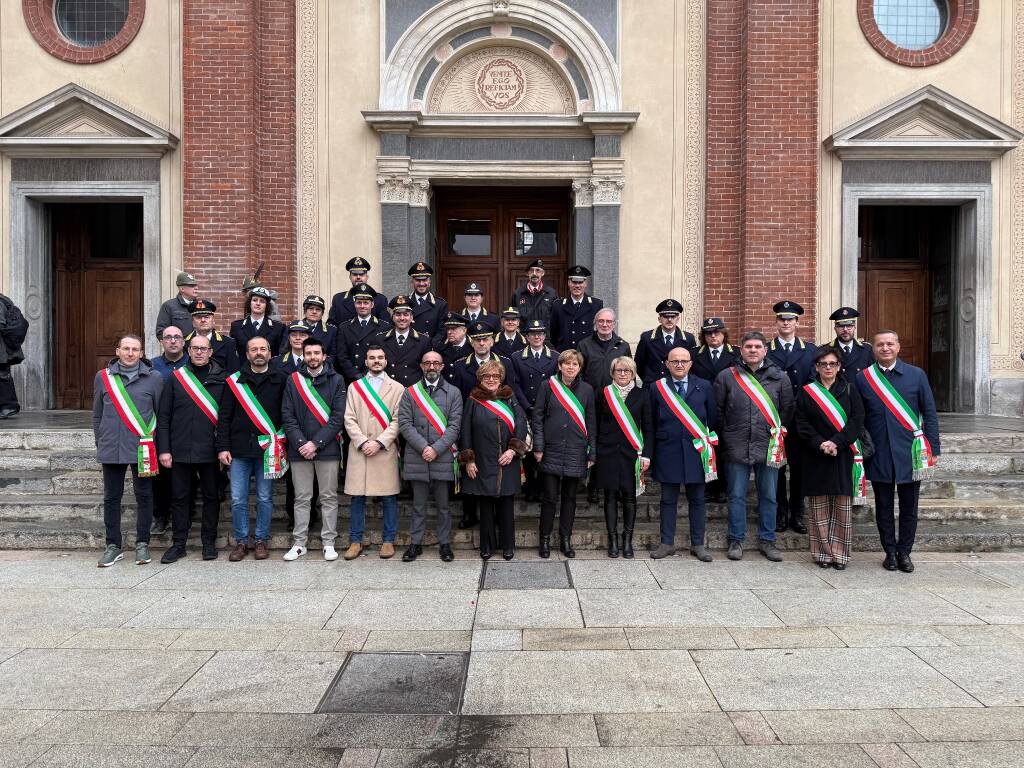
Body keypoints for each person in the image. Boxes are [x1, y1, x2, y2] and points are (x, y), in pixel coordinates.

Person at [856, 330, 940, 573]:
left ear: (898, 347)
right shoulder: (863, 378)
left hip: (910, 452)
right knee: (882, 506)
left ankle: (905, 552)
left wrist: (933, 447)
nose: (885, 348)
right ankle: (889, 552)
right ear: (873, 350)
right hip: (880, 452)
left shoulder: (916, 375)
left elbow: (930, 413)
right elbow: (858, 417)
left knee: (909, 506)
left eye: (889, 344)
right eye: (880, 345)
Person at [714, 331, 794, 562]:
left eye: (757, 346)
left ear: (765, 351)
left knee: (769, 496)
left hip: (769, 445)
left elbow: (787, 410)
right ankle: (736, 540)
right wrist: (728, 434)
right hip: (736, 445)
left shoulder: (780, 377)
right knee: (736, 495)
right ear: (741, 350)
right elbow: (718, 411)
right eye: (748, 346)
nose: (752, 350)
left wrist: (777, 435)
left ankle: (767, 541)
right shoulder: (727, 376)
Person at [93, 334, 164, 567]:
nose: (131, 353)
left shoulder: (154, 378)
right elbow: (97, 414)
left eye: (135, 349)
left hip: (141, 448)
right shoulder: (103, 378)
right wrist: (100, 440)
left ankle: (142, 543)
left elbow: (160, 414)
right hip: (111, 447)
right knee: (111, 497)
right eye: (126, 348)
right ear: (117, 351)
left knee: (145, 496)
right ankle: (113, 545)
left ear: (142, 353)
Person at [156, 333, 227, 562]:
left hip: (210, 450)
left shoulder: (222, 379)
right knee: (179, 498)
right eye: (195, 348)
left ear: (210, 352)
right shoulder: (176, 379)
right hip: (179, 449)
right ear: (188, 351)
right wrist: (164, 450)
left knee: (211, 497)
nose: (198, 352)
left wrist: (223, 448)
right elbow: (164, 417)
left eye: (203, 349)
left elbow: (226, 418)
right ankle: (178, 544)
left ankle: (208, 542)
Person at [217, 336, 289, 562]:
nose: (258, 353)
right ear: (247, 354)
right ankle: (240, 541)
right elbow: (225, 417)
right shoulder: (234, 382)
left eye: (263, 349)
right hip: (239, 449)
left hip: (268, 450)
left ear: (270, 353)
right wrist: (223, 447)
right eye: (253, 349)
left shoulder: (282, 378)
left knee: (265, 497)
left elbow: (286, 414)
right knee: (238, 498)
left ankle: (261, 540)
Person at [796, 346, 866, 570]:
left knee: (842, 509)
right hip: (816, 455)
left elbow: (857, 420)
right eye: (823, 364)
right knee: (818, 510)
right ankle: (822, 554)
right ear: (816, 367)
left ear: (839, 366)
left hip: (843, 454)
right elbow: (802, 424)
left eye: (832, 364)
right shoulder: (807, 392)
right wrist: (821, 444)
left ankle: (841, 555)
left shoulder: (849, 389)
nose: (828, 368)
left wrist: (836, 442)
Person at [649, 347, 719, 561]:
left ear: (690, 363)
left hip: (696, 452)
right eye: (675, 361)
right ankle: (666, 543)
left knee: (697, 499)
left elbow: (713, 419)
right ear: (667, 364)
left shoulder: (704, 386)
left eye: (684, 361)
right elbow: (650, 422)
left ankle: (698, 544)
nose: (679, 365)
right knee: (667, 499)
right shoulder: (656, 388)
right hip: (667, 450)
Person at [281, 337, 347, 561]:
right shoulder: (293, 380)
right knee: (301, 498)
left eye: (316, 353)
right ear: (304, 355)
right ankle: (300, 543)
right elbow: (287, 416)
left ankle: (328, 542)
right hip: (299, 451)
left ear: (324, 356)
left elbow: (337, 418)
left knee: (328, 497)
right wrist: (302, 444)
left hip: (326, 449)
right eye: (308, 353)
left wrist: (315, 443)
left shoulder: (336, 380)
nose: (312, 357)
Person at [459, 360, 528, 560]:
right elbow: (465, 431)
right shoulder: (473, 399)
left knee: (506, 504)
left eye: (495, 376)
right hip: (482, 460)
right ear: (480, 379)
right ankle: (486, 546)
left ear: (501, 378)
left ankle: (508, 546)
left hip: (507, 459)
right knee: (486, 505)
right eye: (487, 376)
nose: (491, 380)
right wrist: (469, 460)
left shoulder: (509, 396)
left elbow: (521, 423)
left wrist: (513, 450)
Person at [398, 350, 463, 563]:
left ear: (442, 366)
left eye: (436, 363)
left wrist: (436, 448)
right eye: (427, 363)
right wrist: (424, 447)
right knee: (418, 505)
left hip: (442, 456)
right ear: (422, 366)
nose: (432, 367)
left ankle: (445, 543)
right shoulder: (410, 392)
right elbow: (405, 424)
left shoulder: (453, 392)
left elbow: (455, 426)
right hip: (418, 456)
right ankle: (415, 543)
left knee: (444, 507)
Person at [531, 349, 596, 558]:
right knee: (549, 498)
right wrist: (538, 447)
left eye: (575, 364)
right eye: (566, 363)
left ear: (579, 368)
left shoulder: (587, 390)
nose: (570, 367)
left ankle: (565, 540)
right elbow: (537, 418)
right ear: (559, 366)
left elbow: (591, 423)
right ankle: (545, 540)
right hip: (551, 449)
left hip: (576, 450)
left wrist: (591, 452)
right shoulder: (547, 386)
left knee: (570, 498)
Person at [343, 345, 405, 559]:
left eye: (380, 357)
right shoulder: (355, 387)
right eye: (372, 358)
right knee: (357, 498)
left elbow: (399, 420)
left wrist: (379, 442)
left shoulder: (397, 388)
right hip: (359, 450)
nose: (376, 361)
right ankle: (355, 541)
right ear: (366, 361)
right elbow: (348, 418)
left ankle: (388, 540)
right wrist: (362, 441)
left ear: (386, 361)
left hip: (384, 450)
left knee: (388, 498)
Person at [592, 356, 652, 558]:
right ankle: (613, 540)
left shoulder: (643, 395)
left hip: (631, 453)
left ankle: (627, 540)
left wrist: (647, 455)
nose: (623, 374)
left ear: (634, 373)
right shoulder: (603, 393)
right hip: (607, 451)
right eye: (619, 370)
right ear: (612, 373)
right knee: (609, 496)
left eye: (627, 370)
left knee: (629, 497)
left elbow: (649, 428)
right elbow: (596, 424)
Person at [767, 300, 815, 535]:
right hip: (775, 420)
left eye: (790, 319)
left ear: (797, 322)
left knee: (800, 469)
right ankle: (780, 514)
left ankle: (798, 514)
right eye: (782, 319)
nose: (786, 322)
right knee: (776, 468)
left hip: (801, 420)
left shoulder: (811, 350)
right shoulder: (767, 349)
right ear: (776, 322)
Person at [692, 317, 739, 503]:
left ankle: (723, 488)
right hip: (702, 409)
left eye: (716, 332)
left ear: (724, 334)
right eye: (708, 333)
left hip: (729, 409)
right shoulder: (694, 354)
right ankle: (708, 488)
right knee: (705, 448)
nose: (713, 336)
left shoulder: (736, 354)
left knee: (725, 450)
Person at [511, 319, 558, 502]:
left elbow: (557, 385)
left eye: (540, 333)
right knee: (528, 450)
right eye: (533, 334)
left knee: (545, 448)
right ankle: (530, 485)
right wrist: (527, 407)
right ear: (527, 337)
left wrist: (545, 406)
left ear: (545, 336)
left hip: (548, 410)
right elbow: (515, 385)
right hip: (526, 409)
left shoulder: (555, 357)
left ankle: (543, 486)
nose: (537, 337)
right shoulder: (517, 357)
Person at [149, 326, 188, 536]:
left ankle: (183, 517)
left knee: (186, 478)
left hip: (186, 430)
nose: (173, 341)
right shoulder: (152, 367)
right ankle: (160, 516)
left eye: (177, 337)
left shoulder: (192, 364)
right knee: (160, 478)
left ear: (183, 341)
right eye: (168, 338)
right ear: (161, 342)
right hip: (160, 429)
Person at [333, 284, 391, 383]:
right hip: (351, 379)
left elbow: (386, 355)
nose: (362, 306)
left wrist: (369, 373)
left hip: (376, 377)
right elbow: (342, 356)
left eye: (366, 303)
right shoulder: (344, 327)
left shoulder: (384, 327)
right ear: (354, 304)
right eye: (359, 303)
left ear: (372, 305)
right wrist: (355, 374)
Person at [634, 299, 697, 385]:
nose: (669, 320)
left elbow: (691, 365)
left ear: (678, 319)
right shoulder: (647, 337)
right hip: (653, 385)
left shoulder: (688, 338)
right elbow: (639, 364)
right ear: (659, 319)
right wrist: (649, 379)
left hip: (678, 386)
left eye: (673, 317)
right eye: (666, 316)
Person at [453, 321, 519, 401]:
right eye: (478, 340)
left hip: (498, 411)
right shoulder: (460, 366)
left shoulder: (505, 363)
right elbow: (457, 398)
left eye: (485, 340)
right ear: (472, 343)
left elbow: (511, 393)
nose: (481, 343)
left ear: (492, 342)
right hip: (471, 411)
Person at [380, 295, 432, 387]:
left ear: (411, 318)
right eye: (398, 314)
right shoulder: (380, 339)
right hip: (388, 390)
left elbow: (427, 369)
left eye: (406, 314)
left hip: (413, 391)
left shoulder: (423, 341)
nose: (402, 318)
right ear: (392, 317)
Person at [549, 265, 604, 351]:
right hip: (566, 354)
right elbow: (553, 334)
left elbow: (600, 332)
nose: (577, 286)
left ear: (585, 284)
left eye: (580, 282)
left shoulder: (596, 305)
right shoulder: (558, 306)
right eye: (574, 282)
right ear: (569, 283)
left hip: (588, 354)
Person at [578, 308, 631, 393]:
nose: (604, 324)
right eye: (601, 321)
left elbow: (630, 373)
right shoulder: (584, 345)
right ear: (595, 323)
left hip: (616, 398)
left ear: (614, 324)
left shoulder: (623, 346)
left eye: (609, 321)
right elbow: (578, 372)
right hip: (590, 396)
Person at [328, 256, 389, 325]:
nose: (358, 277)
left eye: (361, 274)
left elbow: (385, 327)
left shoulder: (380, 300)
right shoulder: (338, 299)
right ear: (350, 277)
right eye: (354, 274)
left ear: (367, 277)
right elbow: (332, 326)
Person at [184, 299, 239, 375]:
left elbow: (233, 373)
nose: (203, 320)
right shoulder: (184, 342)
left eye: (207, 317)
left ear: (213, 321)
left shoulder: (228, 343)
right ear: (193, 322)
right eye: (199, 317)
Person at [230, 285, 285, 359]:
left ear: (267, 306)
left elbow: (280, 356)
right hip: (243, 369)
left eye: (262, 301)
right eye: (255, 300)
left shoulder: (278, 328)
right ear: (250, 303)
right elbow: (232, 355)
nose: (258, 303)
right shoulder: (236, 326)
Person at [0, 291, 27, 419]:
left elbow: (1, 324)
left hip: (2, 349)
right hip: (5, 348)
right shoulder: (4, 301)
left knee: (3, 377)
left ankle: (9, 406)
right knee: (3, 376)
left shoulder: (0, 303)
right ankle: (8, 406)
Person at [829, 307, 874, 379]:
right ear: (835, 329)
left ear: (855, 327)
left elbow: (873, 377)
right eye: (841, 326)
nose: (845, 330)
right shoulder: (826, 349)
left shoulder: (867, 350)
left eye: (849, 326)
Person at [511, 258, 558, 328]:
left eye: (538, 270)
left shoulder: (551, 294)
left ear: (543, 273)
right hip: (525, 337)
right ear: (527, 273)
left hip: (545, 337)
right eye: (531, 271)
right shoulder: (518, 294)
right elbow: (513, 317)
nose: (534, 274)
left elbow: (556, 318)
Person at [408, 262, 448, 339]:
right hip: (410, 347)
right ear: (412, 282)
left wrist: (430, 347)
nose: (421, 283)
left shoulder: (440, 305)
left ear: (429, 282)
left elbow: (442, 331)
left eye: (424, 280)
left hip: (430, 348)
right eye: (418, 280)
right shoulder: (405, 303)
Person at [155, 271, 198, 338]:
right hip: (179, 347)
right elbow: (161, 332)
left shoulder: (201, 306)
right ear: (182, 289)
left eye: (195, 285)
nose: (196, 288)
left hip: (197, 347)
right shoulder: (169, 306)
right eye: (191, 286)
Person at [436, 313, 471, 385]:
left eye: (453, 328)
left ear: (464, 330)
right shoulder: (440, 348)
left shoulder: (473, 347)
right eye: (448, 328)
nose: (449, 332)